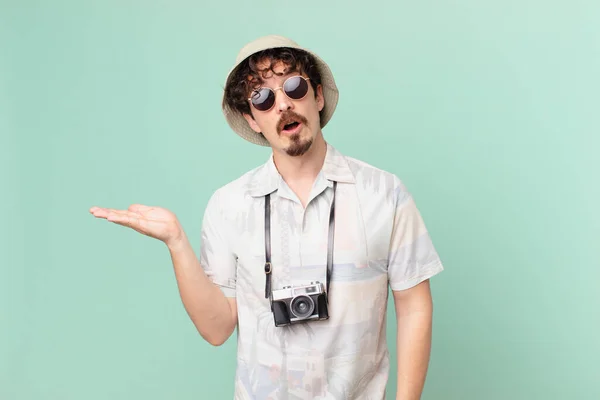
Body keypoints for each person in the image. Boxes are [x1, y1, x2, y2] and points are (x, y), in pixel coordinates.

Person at [89, 35, 444, 400]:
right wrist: (176, 242)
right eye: (263, 98)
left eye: (294, 86)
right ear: (252, 119)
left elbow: (414, 304)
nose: (283, 104)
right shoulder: (229, 205)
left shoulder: (384, 193)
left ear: (318, 96)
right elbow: (217, 329)